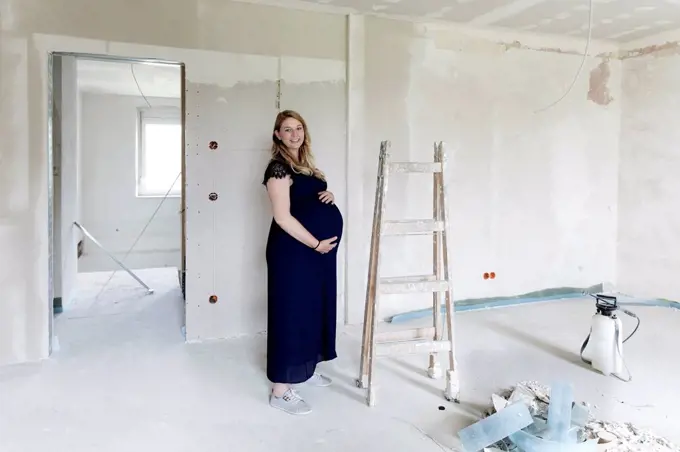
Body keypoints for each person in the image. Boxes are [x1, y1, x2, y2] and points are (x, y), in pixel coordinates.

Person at [261, 110, 344, 415]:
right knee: (290, 313)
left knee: (312, 308)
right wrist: (316, 244)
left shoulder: (306, 167)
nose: (294, 134)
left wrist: (329, 194)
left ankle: (303, 369)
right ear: (277, 135)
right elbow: (282, 217)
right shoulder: (278, 169)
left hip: (316, 254)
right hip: (294, 252)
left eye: (299, 128)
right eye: (287, 129)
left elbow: (308, 198)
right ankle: (280, 390)